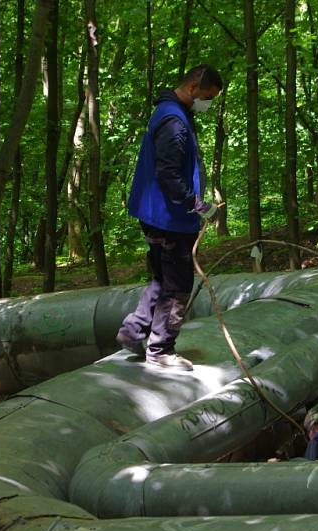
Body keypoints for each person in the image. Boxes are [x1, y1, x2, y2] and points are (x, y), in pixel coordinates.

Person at [116, 64, 224, 371]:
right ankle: (161, 349)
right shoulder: (174, 121)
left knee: (162, 278)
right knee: (178, 285)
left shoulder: (169, 112)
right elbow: (169, 174)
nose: (209, 103)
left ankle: (133, 331)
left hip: (160, 214)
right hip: (168, 217)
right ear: (192, 88)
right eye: (208, 96)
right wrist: (200, 206)